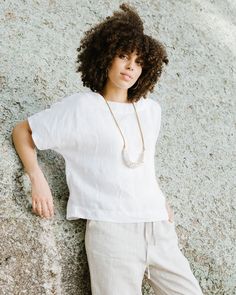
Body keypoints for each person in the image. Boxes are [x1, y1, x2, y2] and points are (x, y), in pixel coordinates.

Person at [12, 3, 203, 295]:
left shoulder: (151, 110)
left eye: (138, 61)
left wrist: (159, 198)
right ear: (105, 57)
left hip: (157, 226)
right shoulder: (82, 108)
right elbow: (23, 131)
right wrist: (36, 177)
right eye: (123, 56)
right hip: (112, 231)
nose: (130, 67)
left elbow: (143, 162)